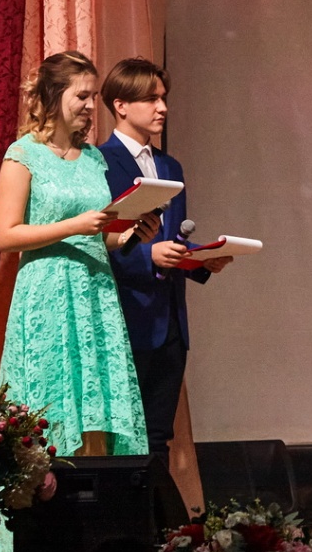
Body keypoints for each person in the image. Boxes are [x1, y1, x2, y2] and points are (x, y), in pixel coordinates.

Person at [0, 51, 157, 552]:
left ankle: (96, 537)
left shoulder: (94, 159)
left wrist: (130, 234)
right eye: (81, 96)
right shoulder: (23, 155)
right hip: (46, 294)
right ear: (53, 97)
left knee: (95, 407)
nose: (89, 106)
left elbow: (104, 233)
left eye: (91, 96)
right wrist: (75, 225)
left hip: (94, 293)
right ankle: (40, 532)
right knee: (49, 407)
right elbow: (6, 235)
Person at [99, 57, 232, 468]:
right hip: (127, 315)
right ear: (121, 105)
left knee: (159, 436)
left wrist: (200, 261)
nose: (162, 108)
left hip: (171, 320)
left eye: (163, 98)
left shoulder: (170, 166)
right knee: (126, 437)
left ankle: (154, 512)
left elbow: (173, 241)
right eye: (151, 99)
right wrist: (147, 255)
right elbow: (95, 241)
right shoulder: (99, 163)